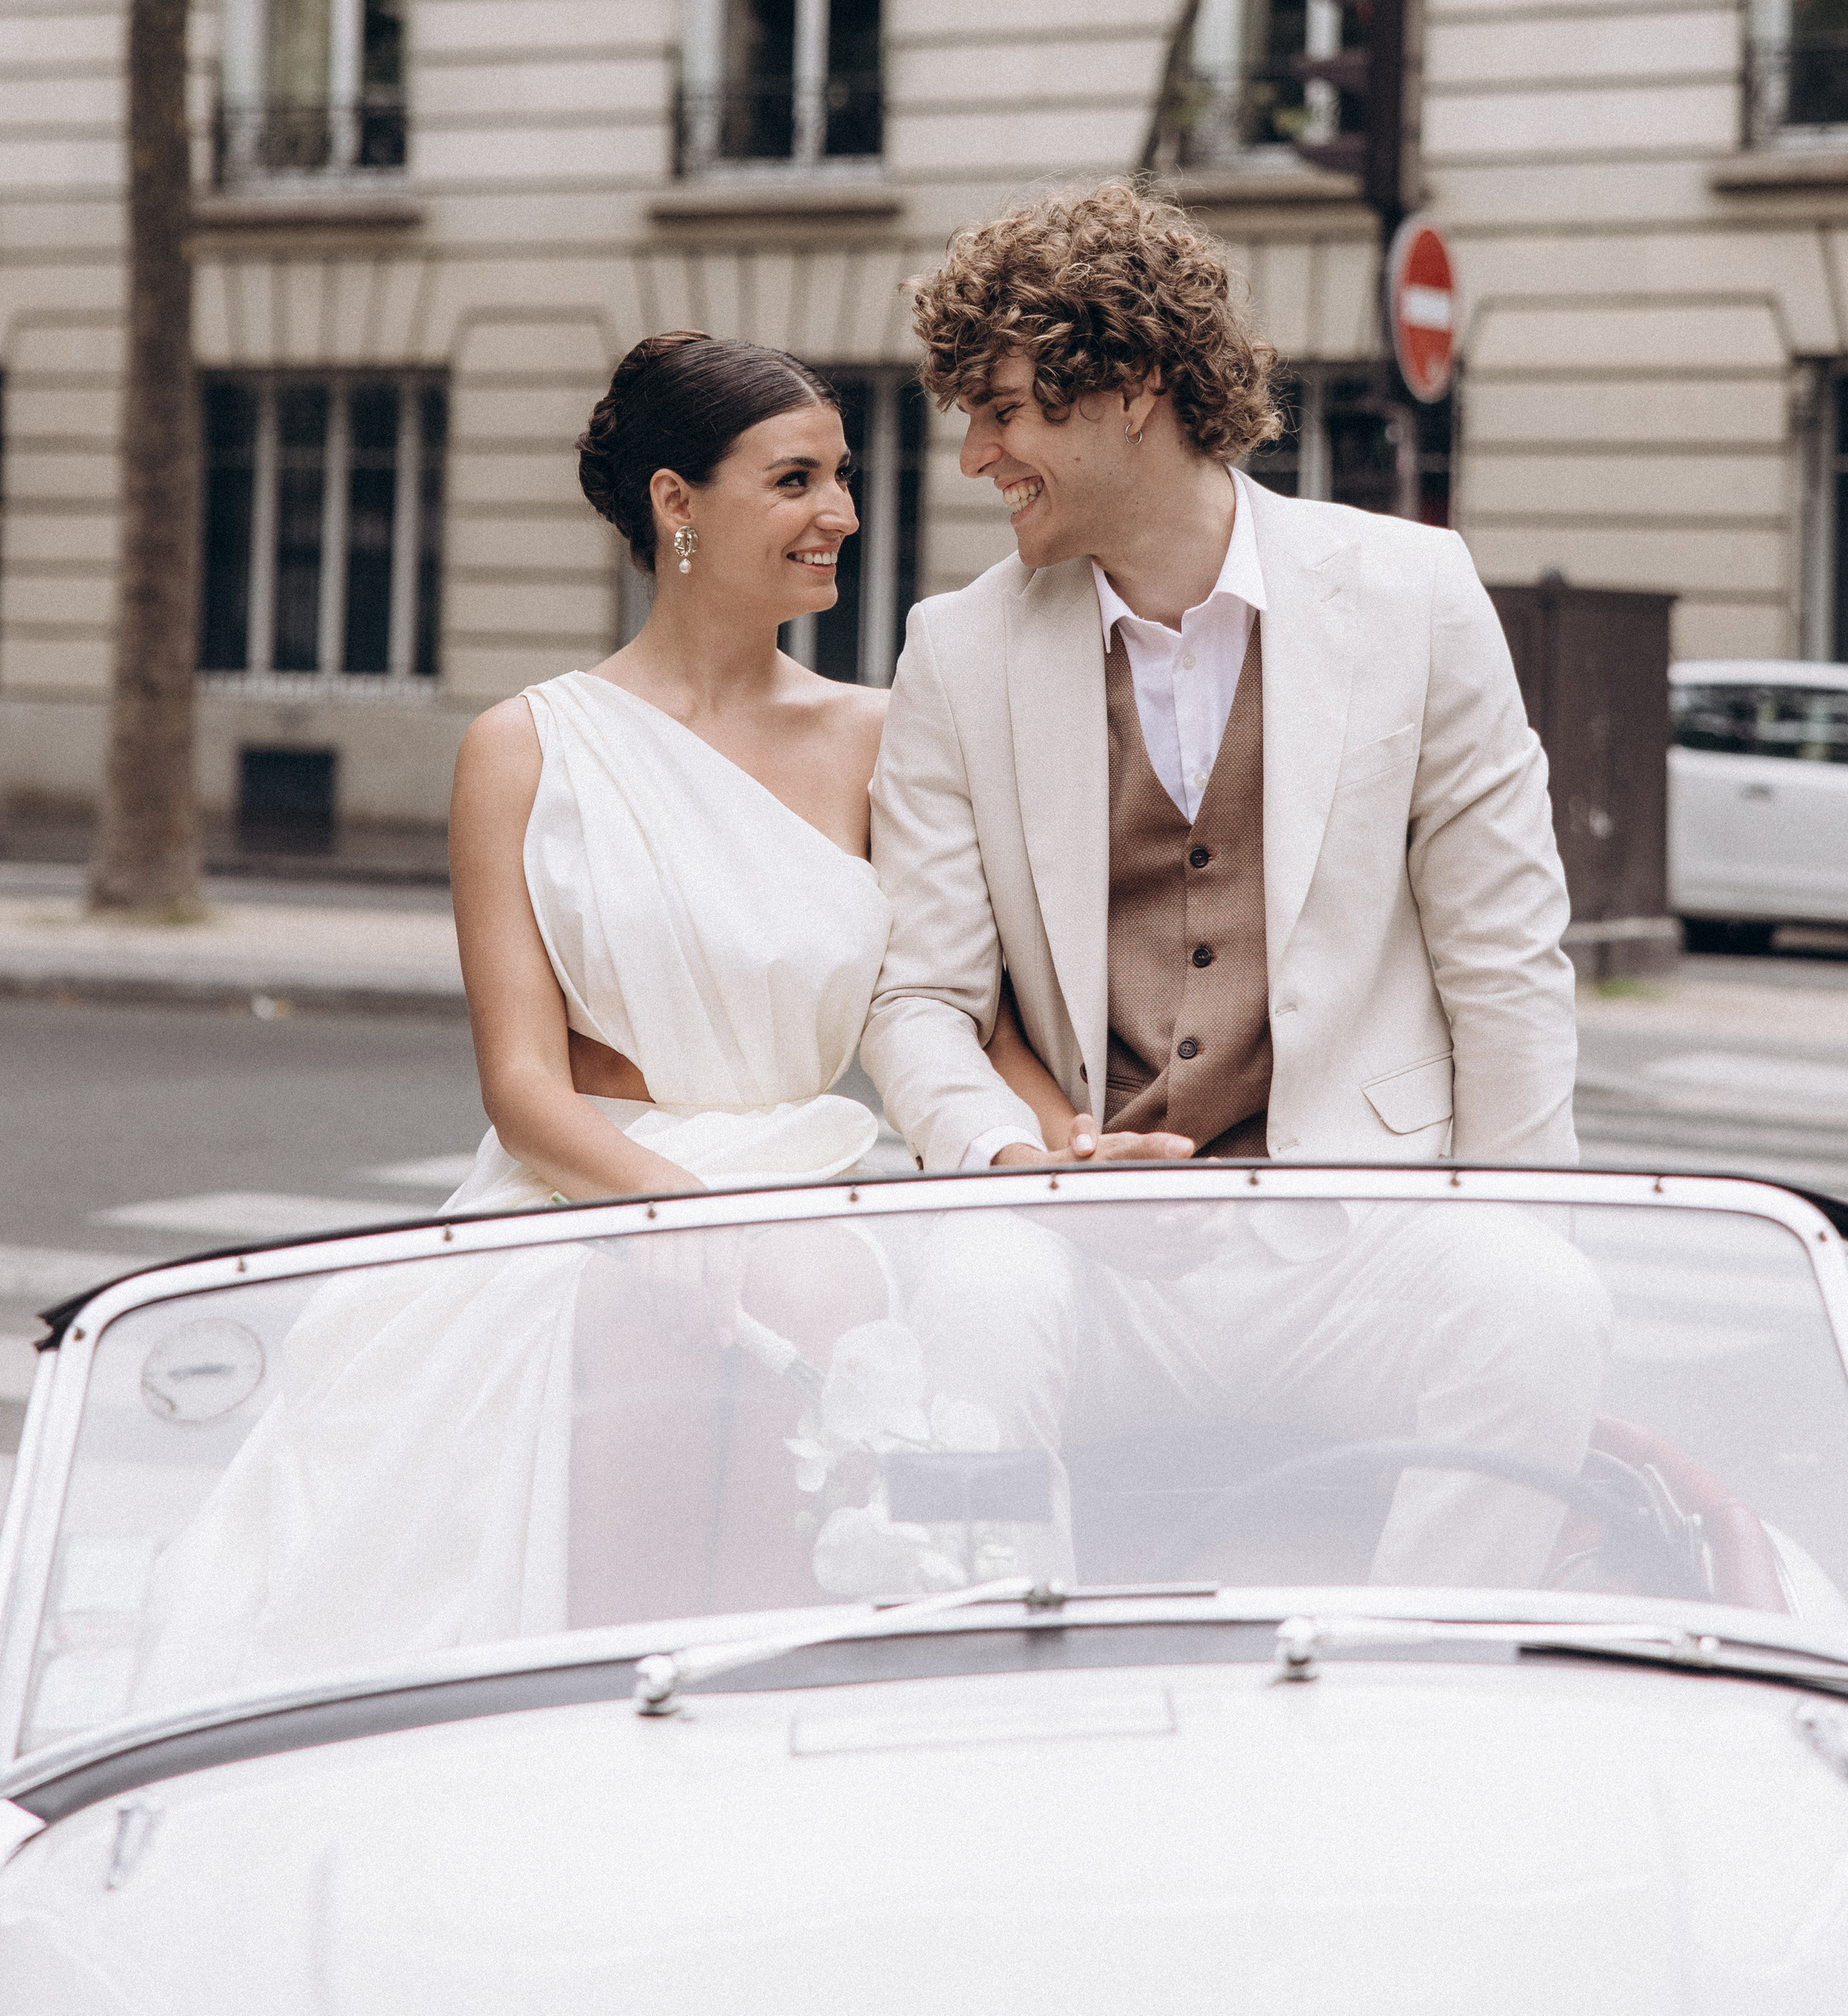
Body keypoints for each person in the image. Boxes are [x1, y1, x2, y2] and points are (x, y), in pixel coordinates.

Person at [134, 331, 1056, 1701]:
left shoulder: (883, 732)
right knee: (644, 1344)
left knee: (863, 1354)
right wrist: (672, 1209)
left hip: (811, 1182)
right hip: (599, 1185)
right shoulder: (525, 745)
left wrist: (1052, 1149)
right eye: (797, 480)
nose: (843, 516)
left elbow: (952, 1011)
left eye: (844, 478)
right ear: (677, 503)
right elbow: (523, 1085)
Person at [858, 181, 1605, 1587]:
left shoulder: (1416, 593)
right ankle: (1003, 1697)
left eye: (1004, 410)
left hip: (1358, 1242)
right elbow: (918, 998)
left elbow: (1507, 964)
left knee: (1540, 1300)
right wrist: (1027, 1165)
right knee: (969, 1290)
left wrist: (1520, 1234)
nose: (975, 458)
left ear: (1131, 385)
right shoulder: (953, 653)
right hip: (1088, 1262)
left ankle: (1413, 1698)